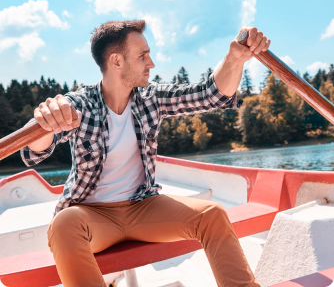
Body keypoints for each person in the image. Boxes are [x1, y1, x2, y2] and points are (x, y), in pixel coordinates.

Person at [21, 20, 270, 287]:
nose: (151, 63)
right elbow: (33, 150)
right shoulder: (80, 106)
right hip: (93, 216)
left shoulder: (151, 98)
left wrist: (234, 59)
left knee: (212, 215)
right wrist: (46, 121)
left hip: (143, 207)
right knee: (63, 224)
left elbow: (211, 94)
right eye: (143, 56)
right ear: (116, 61)